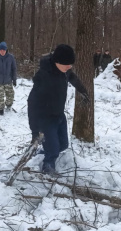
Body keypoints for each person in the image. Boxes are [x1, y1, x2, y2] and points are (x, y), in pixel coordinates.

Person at [27, 44, 90, 175]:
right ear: (57, 61)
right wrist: (34, 131)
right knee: (54, 150)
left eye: (70, 64)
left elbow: (72, 76)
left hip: (59, 115)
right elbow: (32, 103)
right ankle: (48, 166)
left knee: (63, 144)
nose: (69, 67)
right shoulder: (43, 77)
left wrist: (82, 90)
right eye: (67, 64)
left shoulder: (64, 70)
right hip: (45, 118)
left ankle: (44, 151)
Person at [0, 41, 17, 116]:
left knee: (10, 96)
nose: (2, 51)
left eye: (4, 50)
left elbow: (14, 69)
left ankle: (8, 105)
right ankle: (1, 109)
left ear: (6, 50)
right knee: (0, 97)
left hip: (8, 80)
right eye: (1, 50)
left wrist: (14, 79)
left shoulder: (11, 57)